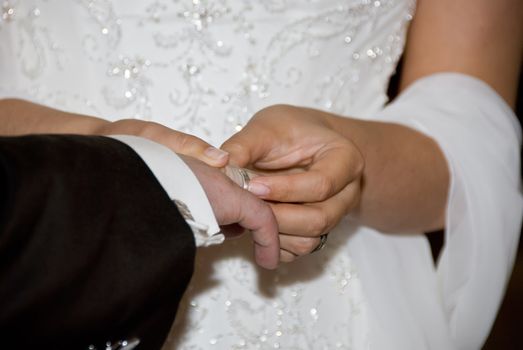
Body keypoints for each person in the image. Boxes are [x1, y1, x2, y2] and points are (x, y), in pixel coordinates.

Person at [0, 0, 521, 349]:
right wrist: (94, 141)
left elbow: (471, 141)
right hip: (42, 256)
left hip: (327, 306)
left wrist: (349, 160)